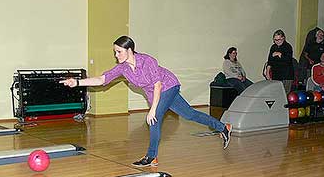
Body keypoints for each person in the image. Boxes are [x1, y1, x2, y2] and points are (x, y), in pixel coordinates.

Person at [60, 36, 232, 167]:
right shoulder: (123, 68)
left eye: (119, 51)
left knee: (154, 118)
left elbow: (157, 85)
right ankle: (223, 127)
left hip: (168, 85)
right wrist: (77, 82)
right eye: (115, 52)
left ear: (130, 50)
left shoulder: (147, 61)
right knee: (190, 114)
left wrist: (152, 109)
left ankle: (151, 157)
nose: (116, 55)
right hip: (155, 93)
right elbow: (101, 79)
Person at [264, 29, 294, 94]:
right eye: (275, 40)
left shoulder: (288, 46)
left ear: (283, 38)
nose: (276, 41)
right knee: (276, 93)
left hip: (286, 75)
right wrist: (267, 72)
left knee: (285, 94)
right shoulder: (273, 47)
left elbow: (288, 60)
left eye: (278, 40)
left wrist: (280, 54)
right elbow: (270, 61)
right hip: (276, 74)